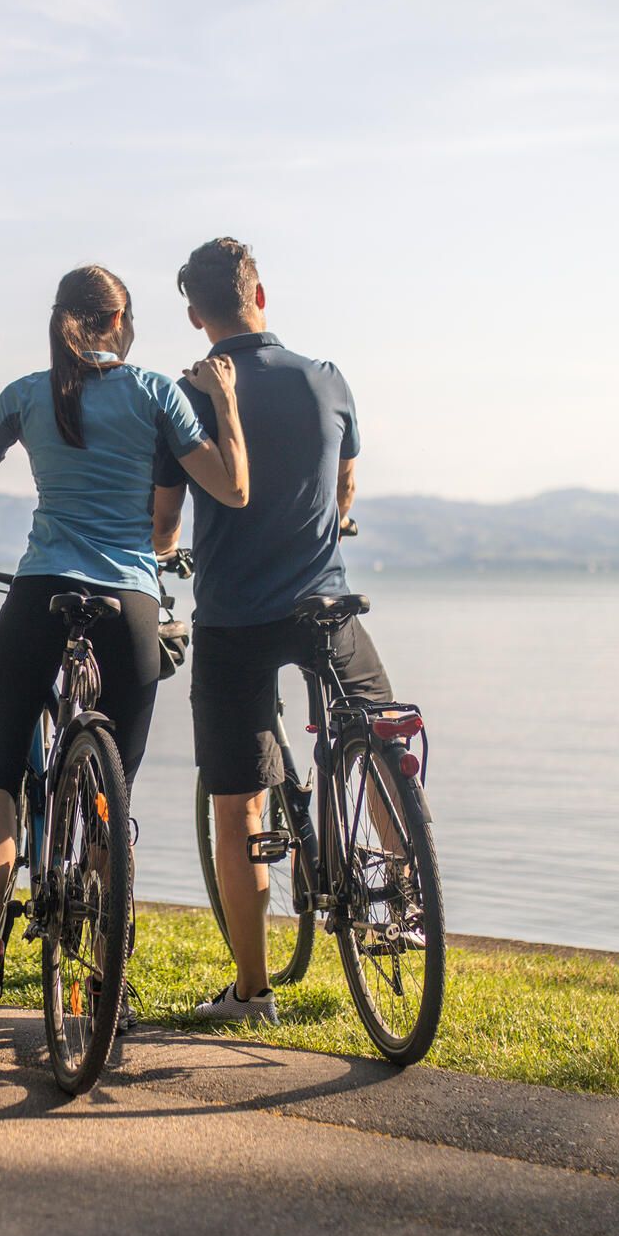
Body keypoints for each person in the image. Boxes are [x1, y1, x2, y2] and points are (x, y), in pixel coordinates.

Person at [0, 264, 251, 1001]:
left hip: (42, 595)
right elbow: (233, 489)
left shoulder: (26, 394)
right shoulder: (156, 393)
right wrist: (224, 405)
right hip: (130, 604)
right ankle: (107, 986)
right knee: (112, 792)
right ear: (121, 323)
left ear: (59, 318)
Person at [154, 237, 397, 1024]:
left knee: (239, 804)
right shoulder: (327, 380)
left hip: (232, 618)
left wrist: (167, 550)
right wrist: (339, 521)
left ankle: (253, 991)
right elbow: (345, 484)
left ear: (196, 315)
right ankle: (404, 885)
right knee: (379, 739)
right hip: (322, 602)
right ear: (262, 294)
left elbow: (163, 521)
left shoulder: (188, 395)